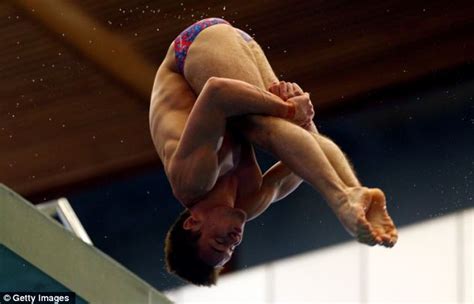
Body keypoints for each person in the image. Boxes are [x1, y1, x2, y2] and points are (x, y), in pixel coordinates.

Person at [149, 18, 398, 286]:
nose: (233, 241)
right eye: (230, 250)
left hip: (193, 47)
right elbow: (304, 153)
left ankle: (342, 199)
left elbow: (216, 92)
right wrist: (301, 114)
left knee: (260, 126)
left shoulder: (190, 180)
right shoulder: (250, 200)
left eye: (220, 241)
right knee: (279, 129)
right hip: (236, 47)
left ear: (192, 223)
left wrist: (287, 109)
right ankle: (353, 192)